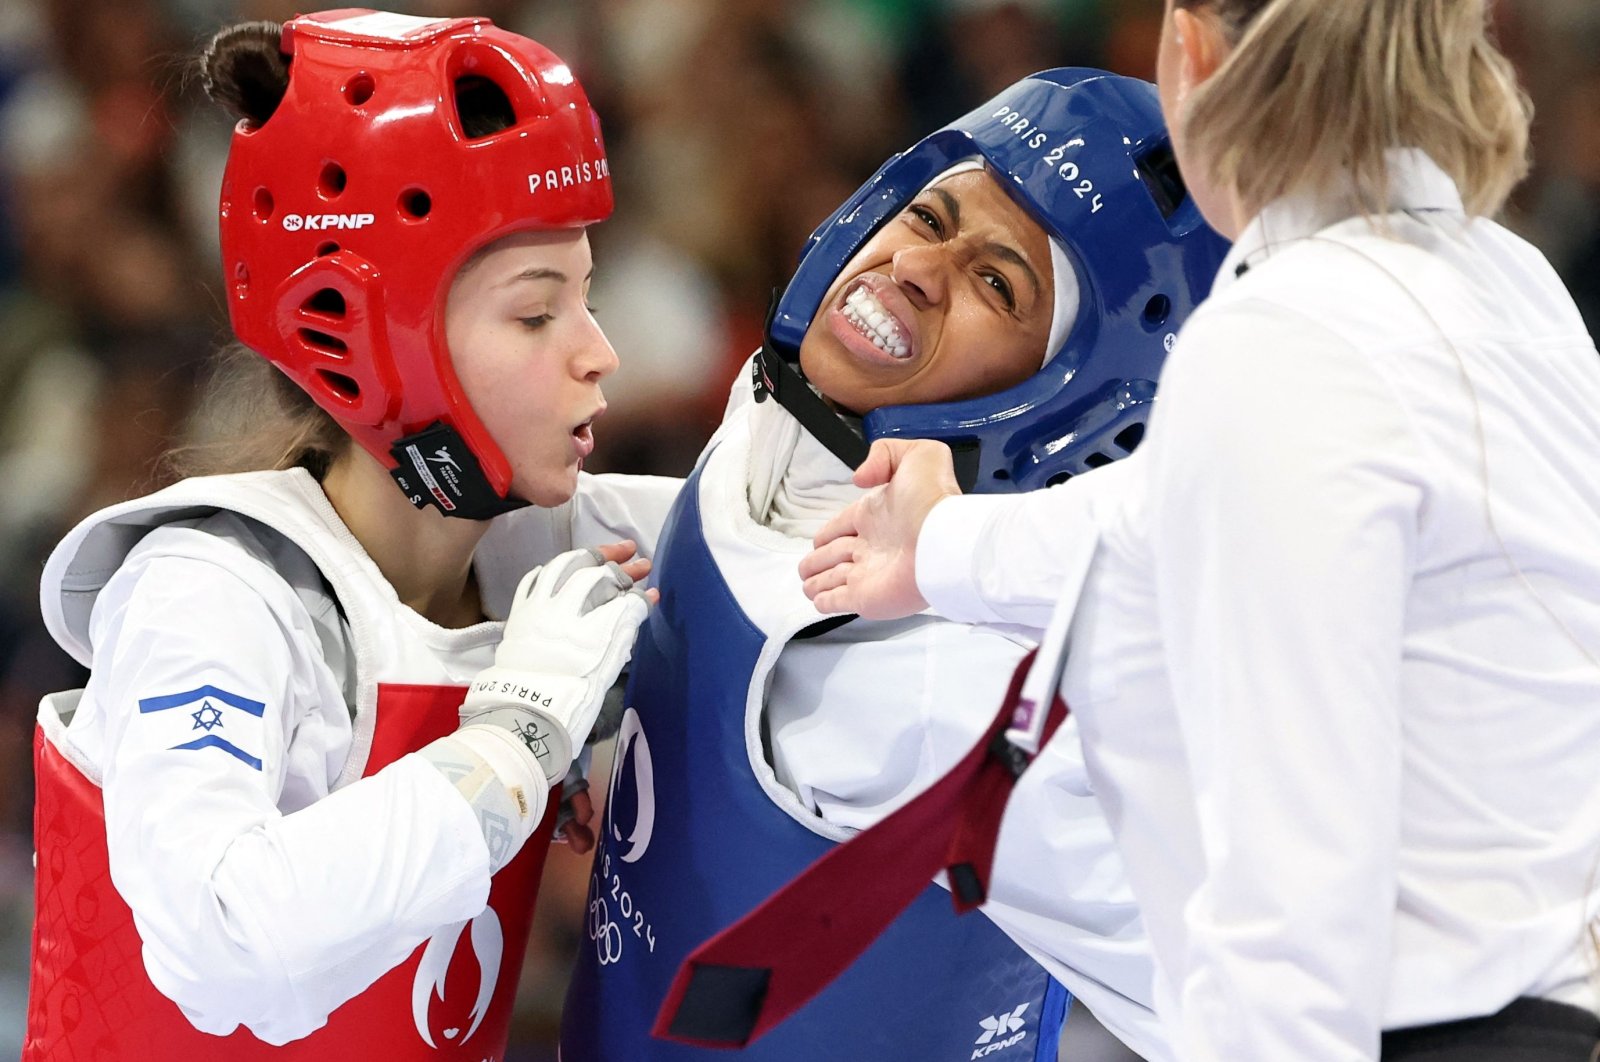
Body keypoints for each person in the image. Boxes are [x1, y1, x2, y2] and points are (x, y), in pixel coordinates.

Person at [800, 1, 1600, 1059]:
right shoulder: (1508, 286)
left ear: (1193, 53)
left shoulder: (1287, 335)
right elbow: (1161, 516)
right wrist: (942, 547)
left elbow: (1295, 879)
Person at [24, 10, 679, 1059]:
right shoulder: (216, 592)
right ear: (375, 338)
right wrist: (517, 744)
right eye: (533, 312)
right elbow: (223, 947)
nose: (598, 353)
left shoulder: (550, 551)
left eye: (587, 298)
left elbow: (802, 535)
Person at [559, 69, 1228, 1061]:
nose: (919, 265)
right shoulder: (788, 422)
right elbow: (736, 545)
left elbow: (1255, 996)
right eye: (928, 215)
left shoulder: (942, 686)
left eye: (999, 283)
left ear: (1072, 403)